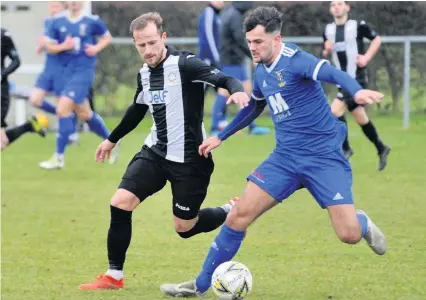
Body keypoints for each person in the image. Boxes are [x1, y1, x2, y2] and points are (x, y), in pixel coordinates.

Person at [160, 6, 387, 298]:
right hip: (285, 159)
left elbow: (332, 73)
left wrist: (356, 92)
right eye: (250, 42)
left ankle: (362, 222)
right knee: (238, 215)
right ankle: (200, 285)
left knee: (349, 235)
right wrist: (221, 136)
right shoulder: (262, 69)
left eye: (258, 42)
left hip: (323, 158)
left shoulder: (296, 60)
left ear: (276, 39)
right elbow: (255, 106)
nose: (252, 48)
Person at [78, 12, 249, 290]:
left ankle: (228, 210)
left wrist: (238, 91)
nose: (147, 50)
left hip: (191, 160)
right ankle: (114, 276)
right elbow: (137, 109)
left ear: (163, 38)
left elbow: (223, 79)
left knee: (184, 228)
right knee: (120, 202)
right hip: (156, 152)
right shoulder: (144, 73)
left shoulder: (186, 64)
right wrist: (111, 139)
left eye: (152, 43)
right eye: (141, 45)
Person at [40, 1, 115, 169]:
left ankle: (58, 157)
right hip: (65, 72)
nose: (74, 2)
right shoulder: (57, 21)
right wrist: (63, 46)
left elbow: (107, 38)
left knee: (62, 109)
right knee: (84, 113)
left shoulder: (92, 20)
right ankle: (112, 139)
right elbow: (49, 47)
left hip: (83, 72)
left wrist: (96, 48)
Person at [323, 0, 390, 171]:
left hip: (356, 78)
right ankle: (381, 148)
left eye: (339, 4)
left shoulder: (357, 25)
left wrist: (366, 57)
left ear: (347, 7)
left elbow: (376, 39)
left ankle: (346, 149)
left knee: (335, 111)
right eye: (333, 5)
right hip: (340, 78)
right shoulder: (328, 30)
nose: (336, 7)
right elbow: (325, 51)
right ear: (330, 10)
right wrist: (326, 50)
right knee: (360, 118)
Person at [210, 1, 270, 136]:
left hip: (234, 59)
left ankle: (250, 125)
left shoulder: (231, 12)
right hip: (230, 60)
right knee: (225, 92)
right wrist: (254, 56)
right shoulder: (234, 15)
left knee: (246, 90)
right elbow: (239, 39)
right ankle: (215, 126)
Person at [1, 28, 47, 151]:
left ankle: (28, 126)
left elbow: (16, 60)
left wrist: (2, 74)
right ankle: (29, 126)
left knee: (1, 142)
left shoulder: (3, 35)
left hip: (1, 92)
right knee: (2, 141)